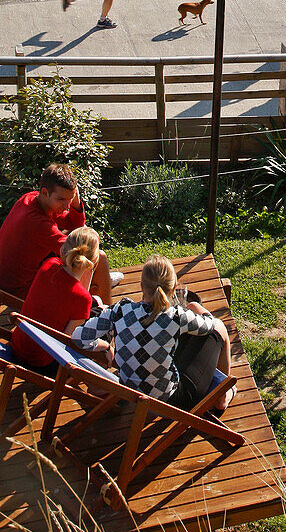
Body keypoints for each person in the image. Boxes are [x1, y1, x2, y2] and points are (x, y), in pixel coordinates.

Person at [73, 254, 236, 411]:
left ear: (142, 286)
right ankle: (222, 395)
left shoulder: (121, 310)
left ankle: (221, 390)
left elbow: (78, 337)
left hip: (132, 392)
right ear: (173, 288)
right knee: (219, 326)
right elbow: (208, 327)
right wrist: (198, 308)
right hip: (171, 401)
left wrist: (105, 346)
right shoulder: (176, 316)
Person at [0, 163, 117, 302]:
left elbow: (73, 225)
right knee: (99, 257)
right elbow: (79, 250)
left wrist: (76, 203)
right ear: (45, 192)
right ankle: (106, 317)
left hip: (8, 282)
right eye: (61, 199)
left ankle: (99, 282)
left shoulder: (33, 199)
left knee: (86, 257)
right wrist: (93, 238)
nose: (66, 206)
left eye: (70, 199)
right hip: (18, 291)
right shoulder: (38, 223)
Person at [10, 227, 100, 371]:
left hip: (18, 346)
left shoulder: (49, 264)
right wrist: (105, 346)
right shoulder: (82, 298)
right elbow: (68, 342)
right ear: (94, 261)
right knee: (99, 313)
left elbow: (75, 290)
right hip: (43, 361)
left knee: (95, 304)